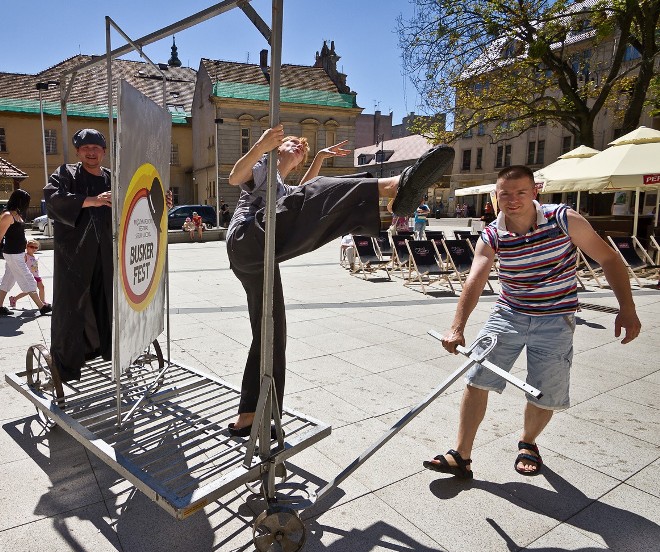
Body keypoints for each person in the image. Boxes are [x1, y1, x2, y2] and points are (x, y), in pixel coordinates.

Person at [226, 124, 454, 437]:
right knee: (319, 190)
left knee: (272, 333)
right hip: (246, 238)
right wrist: (261, 146)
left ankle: (252, 413)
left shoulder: (281, 186)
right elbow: (235, 177)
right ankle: (392, 187)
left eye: (302, 150)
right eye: (294, 143)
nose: (299, 149)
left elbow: (305, 198)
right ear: (277, 148)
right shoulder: (263, 165)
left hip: (261, 255)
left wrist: (318, 157)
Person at [424, 165, 641, 479]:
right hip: (508, 313)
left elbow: (608, 258)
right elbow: (476, 276)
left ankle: (528, 443)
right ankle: (461, 455)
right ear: (496, 196)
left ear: (535, 191)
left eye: (520, 192)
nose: (512, 200)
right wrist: (457, 326)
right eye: (505, 194)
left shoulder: (563, 219)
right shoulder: (493, 233)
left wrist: (627, 307)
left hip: (556, 319)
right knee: (477, 376)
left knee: (544, 392)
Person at [43, 128, 114, 382]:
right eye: (86, 148)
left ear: (104, 152)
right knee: (71, 305)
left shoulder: (113, 177)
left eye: (96, 148)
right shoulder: (66, 174)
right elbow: (52, 199)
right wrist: (91, 200)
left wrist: (162, 200)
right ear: (78, 151)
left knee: (107, 301)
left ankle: (104, 349)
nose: (91, 152)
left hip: (107, 253)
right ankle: (67, 364)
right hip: (74, 253)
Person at [0, 190, 51, 316]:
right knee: (28, 279)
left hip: (17, 254)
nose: (28, 204)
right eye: (26, 201)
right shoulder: (8, 216)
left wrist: (25, 254)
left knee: (8, 280)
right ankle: (41, 306)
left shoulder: (18, 215)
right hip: (12, 254)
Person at [9, 239, 46, 308]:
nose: (34, 249)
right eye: (32, 247)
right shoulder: (25, 256)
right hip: (30, 276)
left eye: (36, 247)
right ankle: (14, 298)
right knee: (29, 291)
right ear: (27, 247)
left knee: (42, 287)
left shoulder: (35, 256)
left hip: (36, 275)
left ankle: (42, 301)